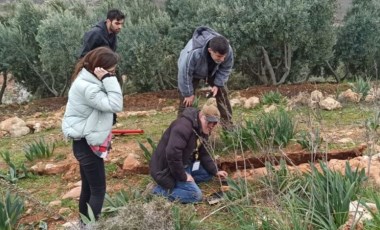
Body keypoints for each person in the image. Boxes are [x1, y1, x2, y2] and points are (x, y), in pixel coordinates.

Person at [62, 47, 123, 220]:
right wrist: (108, 79)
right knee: (98, 190)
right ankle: (90, 225)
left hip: (84, 142)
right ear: (99, 69)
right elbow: (116, 104)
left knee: (88, 188)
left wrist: (106, 77)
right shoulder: (88, 87)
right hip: (87, 145)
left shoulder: (87, 80)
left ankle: (84, 224)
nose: (113, 75)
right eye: (111, 71)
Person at [149, 104, 228, 203]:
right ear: (202, 116)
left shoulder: (204, 128)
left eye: (215, 123)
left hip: (186, 164)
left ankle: (184, 182)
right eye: (210, 122)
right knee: (195, 196)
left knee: (209, 173)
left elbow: (204, 153)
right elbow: (172, 155)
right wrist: (184, 176)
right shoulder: (183, 126)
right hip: (167, 169)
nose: (212, 126)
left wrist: (215, 170)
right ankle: (156, 190)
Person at [177, 26, 234, 129]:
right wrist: (188, 93)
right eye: (219, 56)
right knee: (186, 102)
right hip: (192, 72)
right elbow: (184, 73)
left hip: (213, 70)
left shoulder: (227, 50)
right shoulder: (194, 52)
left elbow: (226, 68)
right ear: (210, 50)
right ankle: (181, 129)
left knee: (222, 93)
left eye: (224, 56)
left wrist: (217, 84)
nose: (222, 59)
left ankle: (228, 126)